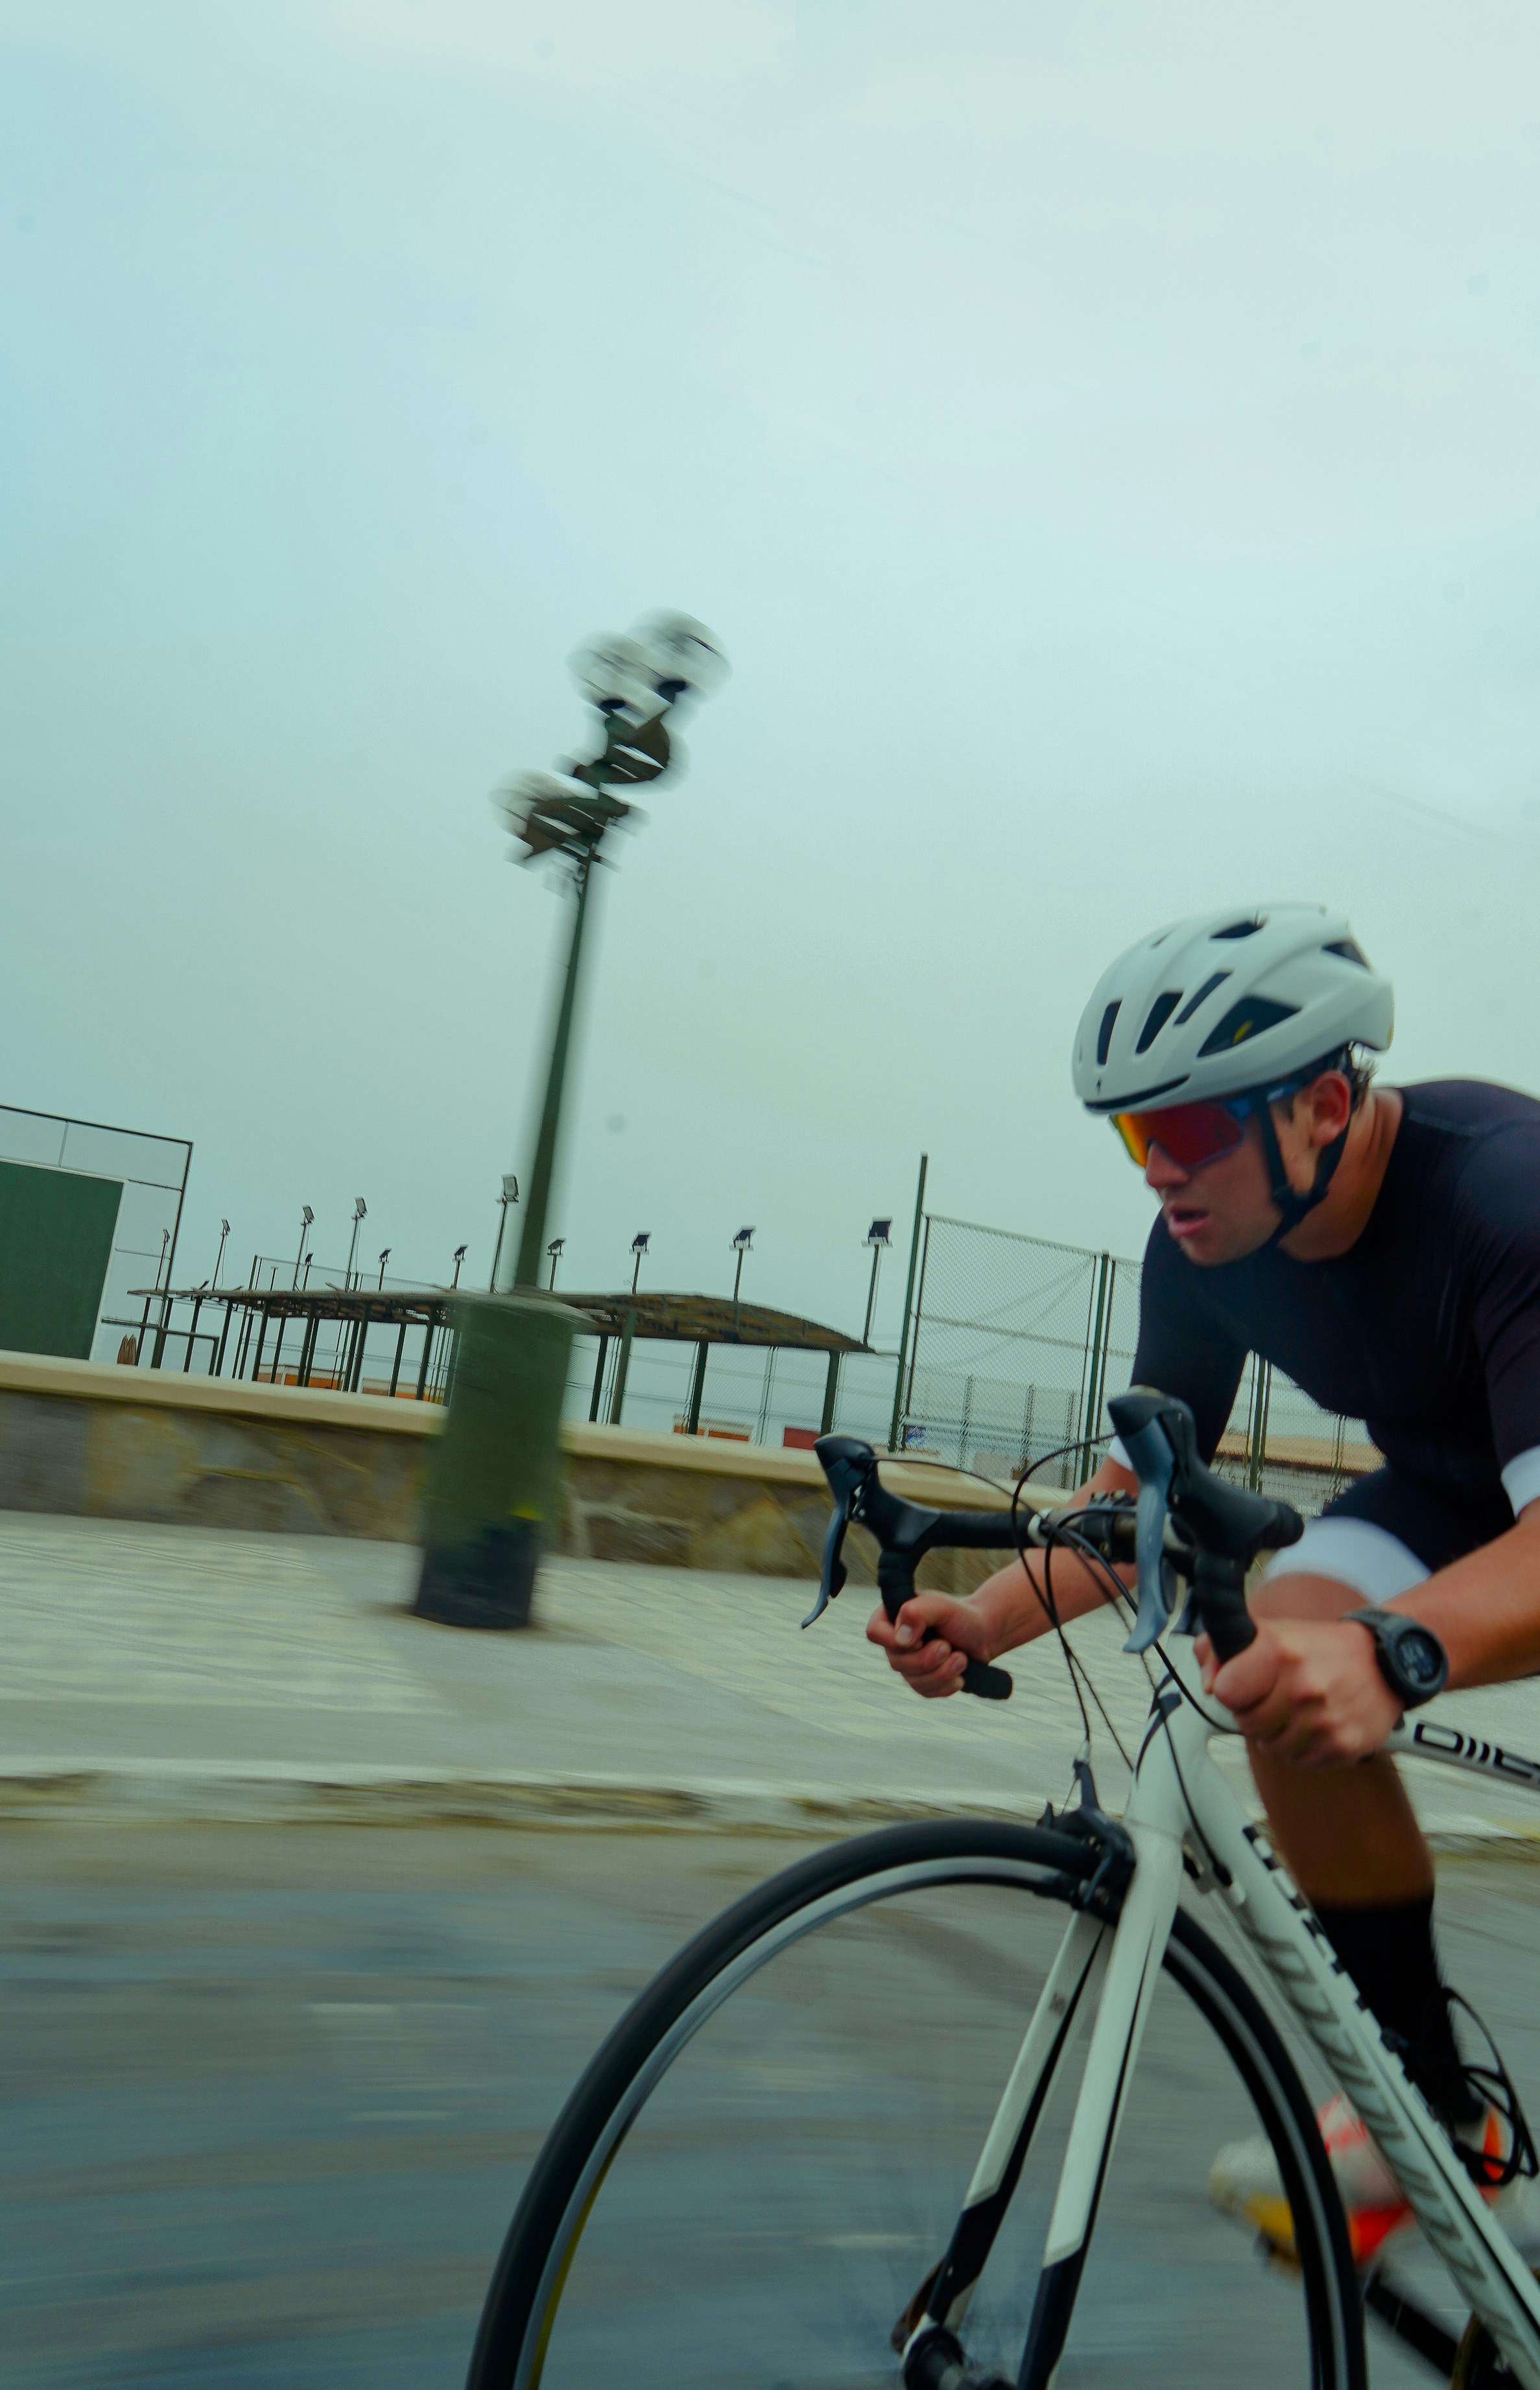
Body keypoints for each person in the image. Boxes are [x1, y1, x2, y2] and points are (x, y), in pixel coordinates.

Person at [867, 903, 1540, 2263]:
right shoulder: (1205, 1251)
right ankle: (1423, 2104)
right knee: (1279, 1647)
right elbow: (1145, 1501)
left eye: (1188, 1135)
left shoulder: (1502, 1196)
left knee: (1343, 1644)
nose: (1160, 1175)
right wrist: (985, 1616)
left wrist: (1398, 1649)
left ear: (1326, 1104)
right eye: (1136, 1136)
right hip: (1458, 1484)